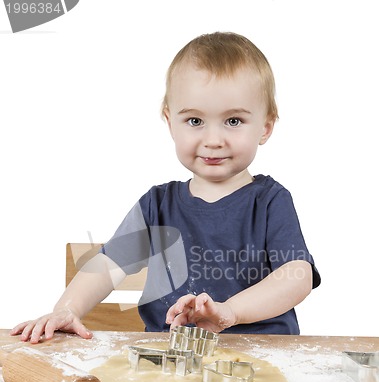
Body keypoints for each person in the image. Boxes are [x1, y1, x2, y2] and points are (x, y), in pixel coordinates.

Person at [11, 32, 320, 344]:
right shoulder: (157, 205)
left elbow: (297, 276)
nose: (213, 140)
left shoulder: (270, 202)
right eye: (195, 121)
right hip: (167, 356)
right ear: (171, 122)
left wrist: (231, 312)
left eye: (234, 121)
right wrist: (67, 308)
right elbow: (109, 265)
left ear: (265, 127)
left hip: (260, 357)